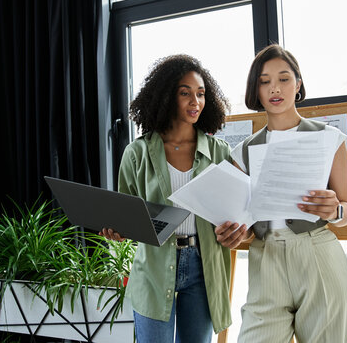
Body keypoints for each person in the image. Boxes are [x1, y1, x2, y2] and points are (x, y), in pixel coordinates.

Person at [99, 54, 246, 343]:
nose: (195, 101)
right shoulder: (137, 153)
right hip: (154, 266)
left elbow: (238, 213)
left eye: (201, 94)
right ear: (167, 96)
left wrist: (237, 232)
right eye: (185, 93)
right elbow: (125, 213)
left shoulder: (219, 152)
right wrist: (116, 231)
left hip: (204, 267)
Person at [232, 44, 347, 343]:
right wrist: (236, 233)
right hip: (266, 257)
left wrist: (335, 210)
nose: (275, 88)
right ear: (256, 90)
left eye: (284, 78)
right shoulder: (242, 152)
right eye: (264, 81)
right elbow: (244, 225)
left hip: (318, 255)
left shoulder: (330, 139)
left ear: (298, 84)